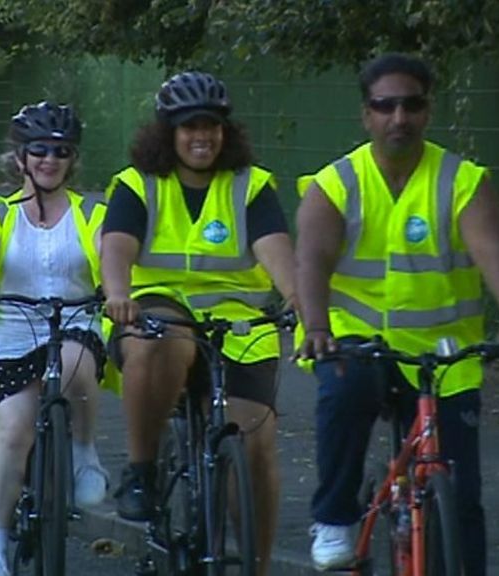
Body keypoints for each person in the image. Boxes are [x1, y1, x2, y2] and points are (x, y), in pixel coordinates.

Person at [293, 53, 499, 574]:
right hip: (357, 341)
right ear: (366, 115)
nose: (399, 118)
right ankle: (335, 517)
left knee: (460, 494)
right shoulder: (335, 184)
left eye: (411, 105)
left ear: (427, 112)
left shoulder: (461, 180)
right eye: (384, 106)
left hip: (444, 354)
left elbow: (495, 253)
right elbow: (311, 260)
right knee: (344, 392)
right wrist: (318, 327)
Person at [102, 71, 296, 576]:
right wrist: (118, 295)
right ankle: (142, 471)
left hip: (239, 327)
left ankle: (257, 566)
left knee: (254, 446)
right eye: (189, 126)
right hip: (157, 310)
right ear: (168, 132)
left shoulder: (251, 186)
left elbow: (277, 254)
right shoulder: (136, 184)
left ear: (225, 131)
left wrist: (303, 304)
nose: (201, 135)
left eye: (211, 125)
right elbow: (117, 246)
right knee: (164, 343)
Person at [0, 101, 110, 576]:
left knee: (77, 358)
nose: (49, 160)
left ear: (72, 160)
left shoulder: (88, 214)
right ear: (20, 159)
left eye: (61, 151)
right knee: (13, 428)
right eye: (39, 150)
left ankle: (84, 454)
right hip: (12, 329)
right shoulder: (0, 216)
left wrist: (119, 293)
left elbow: (107, 257)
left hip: (74, 318)